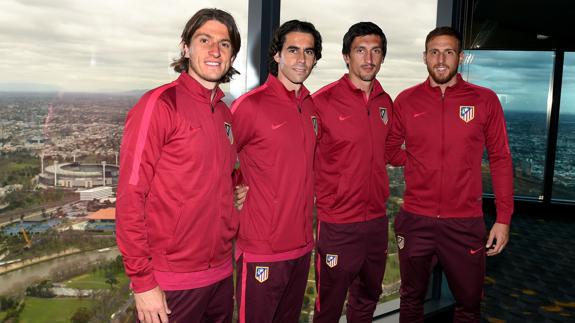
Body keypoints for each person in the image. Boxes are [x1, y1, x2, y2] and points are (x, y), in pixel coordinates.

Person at [115, 8, 241, 323]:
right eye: (204, 40)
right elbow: (131, 197)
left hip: (221, 273)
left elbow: (216, 174)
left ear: (232, 54)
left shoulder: (225, 115)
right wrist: (143, 282)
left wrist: (235, 189)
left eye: (224, 44)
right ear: (185, 48)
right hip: (171, 281)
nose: (215, 50)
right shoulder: (159, 105)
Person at [387, 26, 514, 322]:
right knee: (410, 300)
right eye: (434, 52)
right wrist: (419, 159)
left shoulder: (485, 100)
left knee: (469, 305)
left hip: (465, 222)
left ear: (461, 57)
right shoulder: (406, 100)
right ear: (424, 57)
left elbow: (500, 159)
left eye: (448, 52)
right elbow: (390, 149)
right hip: (416, 219)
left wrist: (504, 218)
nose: (441, 59)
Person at [311, 22, 403, 322]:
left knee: (367, 299)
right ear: (346, 56)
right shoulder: (321, 102)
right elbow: (297, 157)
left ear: (383, 57)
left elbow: (392, 152)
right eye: (360, 50)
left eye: (376, 51)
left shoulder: (385, 102)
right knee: (330, 305)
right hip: (337, 224)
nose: (369, 58)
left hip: (376, 222)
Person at [231, 20, 322, 323]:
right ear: (277, 55)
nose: (301, 59)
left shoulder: (311, 108)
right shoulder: (250, 106)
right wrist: (234, 187)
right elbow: (216, 159)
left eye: (309, 52)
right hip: (261, 248)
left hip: (301, 245)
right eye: (293, 50)